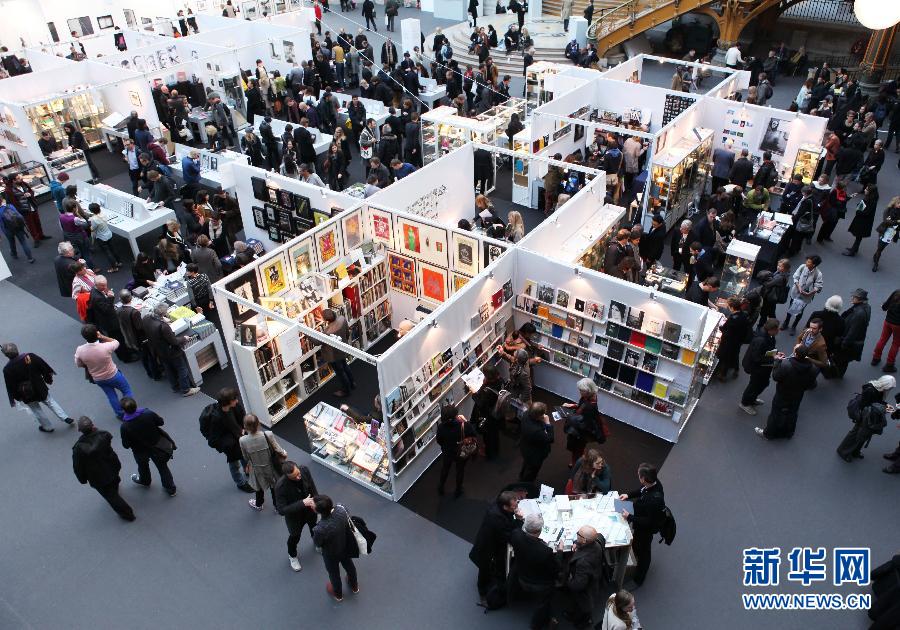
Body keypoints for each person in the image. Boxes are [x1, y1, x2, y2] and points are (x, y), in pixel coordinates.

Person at [72, 417, 136, 521]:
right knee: (114, 481)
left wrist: (82, 479)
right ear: (93, 426)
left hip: (98, 477)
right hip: (112, 466)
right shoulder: (103, 435)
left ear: (80, 431)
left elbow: (78, 466)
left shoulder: (78, 449)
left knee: (111, 496)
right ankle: (115, 488)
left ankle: (128, 514)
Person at [3, 343, 74, 433]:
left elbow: (10, 385)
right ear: (17, 349)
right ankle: (65, 417)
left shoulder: (7, 369)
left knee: (36, 409)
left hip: (25, 393)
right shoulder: (30, 357)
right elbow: (43, 367)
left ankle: (48, 427)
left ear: (6, 355)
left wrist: (18, 397)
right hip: (39, 386)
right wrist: (48, 378)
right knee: (50, 401)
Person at [755, 345, 819, 440]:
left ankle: (768, 434)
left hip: (782, 394)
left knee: (775, 414)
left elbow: (776, 377)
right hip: (798, 395)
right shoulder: (813, 369)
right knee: (792, 413)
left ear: (796, 354)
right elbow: (811, 384)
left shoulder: (786, 365)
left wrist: (777, 361)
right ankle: (789, 432)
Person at [469, 490, 521, 603]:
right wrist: (519, 520)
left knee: (490, 566)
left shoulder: (498, 505)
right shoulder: (497, 519)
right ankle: (482, 591)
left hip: (490, 542)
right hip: (487, 548)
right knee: (484, 569)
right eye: (514, 507)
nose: (516, 508)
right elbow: (509, 535)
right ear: (505, 507)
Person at [199, 388, 253, 493]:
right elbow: (215, 438)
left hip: (240, 439)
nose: (237, 401)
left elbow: (242, 417)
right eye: (235, 399)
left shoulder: (235, 406)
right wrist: (229, 444)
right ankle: (240, 483)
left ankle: (247, 471)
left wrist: (243, 429)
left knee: (244, 456)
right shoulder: (217, 418)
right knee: (234, 465)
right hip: (231, 446)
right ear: (228, 402)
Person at [119, 397, 176, 497]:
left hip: (139, 451)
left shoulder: (124, 426)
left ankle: (145, 481)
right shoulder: (147, 413)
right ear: (136, 405)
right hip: (157, 447)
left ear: (124, 411)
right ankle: (171, 489)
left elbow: (126, 445)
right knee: (162, 468)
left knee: (142, 466)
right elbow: (161, 422)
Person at [620, 463, 665, 587]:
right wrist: (629, 495)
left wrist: (630, 517)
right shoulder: (652, 483)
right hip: (641, 523)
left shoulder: (655, 500)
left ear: (643, 478)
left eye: (639, 475)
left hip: (646, 529)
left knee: (644, 552)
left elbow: (648, 521)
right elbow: (641, 490)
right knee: (637, 545)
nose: (638, 477)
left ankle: (639, 579)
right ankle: (637, 556)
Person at [510, 514, 558, 629]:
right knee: (542, 605)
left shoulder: (516, 535)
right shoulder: (545, 551)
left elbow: (517, 530)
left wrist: (518, 519)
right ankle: (536, 625)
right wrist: (560, 552)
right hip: (541, 585)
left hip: (522, 577)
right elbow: (555, 569)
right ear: (540, 530)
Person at [74, 325, 133, 420]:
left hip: (98, 379)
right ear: (97, 333)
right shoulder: (105, 347)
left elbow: (79, 364)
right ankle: (130, 409)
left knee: (111, 395)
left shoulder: (80, 350)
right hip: (113, 374)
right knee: (126, 390)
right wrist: (102, 337)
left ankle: (120, 414)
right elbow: (116, 342)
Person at [307, 495, 359, 601]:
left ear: (318, 511)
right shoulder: (341, 509)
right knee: (349, 566)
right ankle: (354, 586)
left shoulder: (320, 528)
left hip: (330, 554)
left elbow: (318, 543)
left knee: (334, 574)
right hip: (344, 546)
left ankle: (338, 594)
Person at [143, 303, 200, 397]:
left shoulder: (146, 318)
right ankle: (186, 390)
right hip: (171, 352)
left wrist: (162, 320)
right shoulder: (163, 327)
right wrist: (184, 338)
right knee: (182, 369)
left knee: (168, 368)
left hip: (158, 350)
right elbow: (174, 341)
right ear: (163, 314)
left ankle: (175, 386)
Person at [836, 376, 895, 462]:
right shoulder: (870, 390)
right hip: (864, 416)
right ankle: (843, 451)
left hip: (869, 416)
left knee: (864, 435)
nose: (889, 389)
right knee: (856, 434)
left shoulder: (878, 389)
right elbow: (865, 405)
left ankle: (855, 451)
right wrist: (883, 408)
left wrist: (884, 405)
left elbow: (876, 402)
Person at [274, 461, 319, 571]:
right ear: (287, 476)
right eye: (295, 477)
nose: (299, 477)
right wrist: (302, 503)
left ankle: (317, 543)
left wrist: (317, 503)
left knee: (315, 528)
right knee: (295, 537)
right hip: (295, 517)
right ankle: (292, 556)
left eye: (298, 473)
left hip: (310, 511)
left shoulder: (304, 470)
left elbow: (312, 488)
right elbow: (281, 510)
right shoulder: (280, 487)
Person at [559, 525, 606, 628]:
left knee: (582, 607)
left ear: (584, 540)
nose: (576, 535)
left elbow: (578, 585)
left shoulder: (583, 562)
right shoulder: (597, 542)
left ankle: (581, 622)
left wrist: (567, 581)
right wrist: (577, 543)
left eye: (578, 534)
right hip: (595, 577)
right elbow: (600, 536)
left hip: (585, 590)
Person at [240, 413, 287, 512]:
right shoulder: (268, 434)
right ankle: (277, 507)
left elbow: (245, 456)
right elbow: (277, 449)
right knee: (274, 486)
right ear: (258, 424)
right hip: (271, 466)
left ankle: (259, 504)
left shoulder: (242, 440)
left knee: (258, 487)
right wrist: (284, 454)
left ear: (245, 426)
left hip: (256, 468)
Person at [739, 318, 782, 415]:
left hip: (763, 367)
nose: (778, 330)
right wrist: (773, 358)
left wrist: (776, 353)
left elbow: (769, 349)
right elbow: (756, 358)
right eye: (777, 329)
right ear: (771, 329)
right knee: (754, 385)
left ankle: (752, 399)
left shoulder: (770, 336)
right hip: (757, 368)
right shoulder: (761, 340)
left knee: (762, 384)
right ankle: (745, 403)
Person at [435, 404, 477, 497]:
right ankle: (458, 490)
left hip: (448, 452)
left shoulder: (441, 427)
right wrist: (465, 421)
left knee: (445, 469)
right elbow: (473, 434)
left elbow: (439, 440)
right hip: (461, 452)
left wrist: (445, 447)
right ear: (455, 415)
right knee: (460, 470)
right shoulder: (464, 425)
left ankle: (441, 487)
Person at [561, 378, 603, 466]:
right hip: (581, 428)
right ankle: (577, 460)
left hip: (581, 432)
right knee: (578, 448)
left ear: (588, 391)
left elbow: (585, 424)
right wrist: (572, 405)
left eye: (581, 391)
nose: (579, 392)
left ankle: (576, 464)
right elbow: (581, 405)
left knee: (577, 449)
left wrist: (570, 418)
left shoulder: (590, 406)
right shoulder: (589, 396)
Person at [832, 288, 871, 377]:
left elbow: (853, 331)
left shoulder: (859, 314)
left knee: (842, 359)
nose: (852, 298)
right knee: (843, 359)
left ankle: (838, 374)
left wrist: (844, 344)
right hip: (854, 340)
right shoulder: (866, 307)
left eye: (854, 297)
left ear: (860, 299)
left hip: (849, 342)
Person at [782, 256, 823, 334]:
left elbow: (818, 286)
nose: (806, 262)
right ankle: (786, 322)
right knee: (791, 307)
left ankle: (794, 326)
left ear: (813, 265)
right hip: (796, 292)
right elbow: (795, 277)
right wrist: (799, 287)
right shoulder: (802, 267)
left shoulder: (818, 274)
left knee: (800, 311)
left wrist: (810, 293)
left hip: (806, 296)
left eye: (809, 262)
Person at [469, 363, 501, 459]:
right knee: (494, 434)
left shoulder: (488, 391)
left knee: (488, 436)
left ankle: (489, 453)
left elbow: (481, 404)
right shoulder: (500, 381)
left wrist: (474, 393)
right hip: (496, 414)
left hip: (488, 416)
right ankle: (494, 449)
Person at [715, 297, 751, 381]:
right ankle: (736, 369)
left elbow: (726, 331)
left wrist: (720, 327)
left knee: (726, 359)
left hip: (729, 343)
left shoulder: (733, 319)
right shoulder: (743, 315)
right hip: (738, 341)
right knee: (735, 355)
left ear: (732, 307)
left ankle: (723, 375)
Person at [321, 309, 355, 396]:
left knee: (340, 372)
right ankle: (352, 384)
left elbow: (317, 342)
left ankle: (346, 391)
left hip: (333, 355)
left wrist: (307, 333)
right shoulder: (342, 319)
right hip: (343, 349)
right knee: (345, 366)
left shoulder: (327, 332)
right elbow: (347, 334)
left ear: (326, 320)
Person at [518, 402, 554, 482]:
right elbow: (550, 438)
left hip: (525, 447)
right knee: (532, 471)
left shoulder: (526, 414)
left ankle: (522, 476)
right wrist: (548, 423)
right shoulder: (536, 431)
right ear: (539, 416)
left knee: (526, 464)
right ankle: (526, 485)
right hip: (535, 454)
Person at [844, 184, 880, 256]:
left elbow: (866, 212)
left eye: (867, 189)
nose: (865, 190)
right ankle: (855, 249)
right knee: (859, 236)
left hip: (863, 221)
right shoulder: (871, 199)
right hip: (864, 220)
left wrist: (859, 210)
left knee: (858, 236)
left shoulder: (871, 201)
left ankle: (852, 251)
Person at [87, 203, 122, 273]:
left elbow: (92, 229)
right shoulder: (104, 214)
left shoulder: (94, 219)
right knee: (113, 249)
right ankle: (119, 262)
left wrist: (89, 225)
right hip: (109, 234)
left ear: (92, 211)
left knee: (107, 252)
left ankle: (114, 267)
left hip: (101, 237)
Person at [872, 290, 900, 373]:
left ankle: (875, 358)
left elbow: (885, 306)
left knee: (882, 339)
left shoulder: (897, 292)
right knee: (896, 343)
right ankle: (889, 365)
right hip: (898, 325)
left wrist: (883, 306)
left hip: (888, 321)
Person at [0, 196, 34, 263]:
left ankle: (14, 254)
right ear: (1, 200)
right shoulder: (10, 206)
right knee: (23, 242)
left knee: (11, 242)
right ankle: (30, 258)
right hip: (17, 227)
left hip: (7, 230)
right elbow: (19, 215)